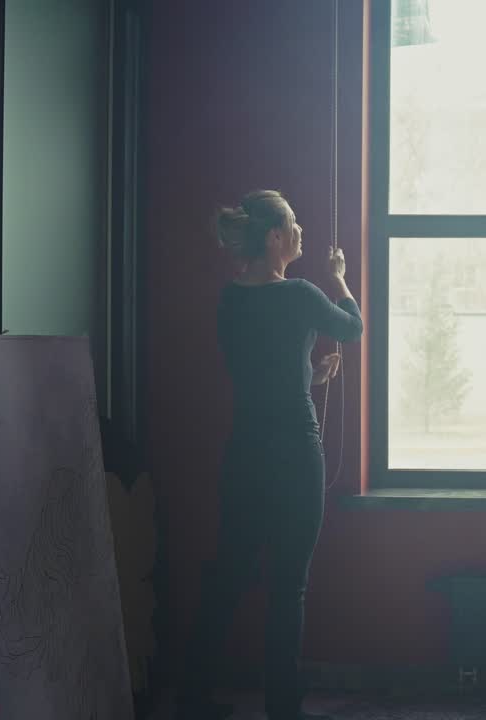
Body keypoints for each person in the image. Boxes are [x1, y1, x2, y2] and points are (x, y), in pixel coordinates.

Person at [179, 190, 362, 720]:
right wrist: (340, 277)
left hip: (245, 457)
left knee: (227, 577)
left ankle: (192, 699)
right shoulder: (302, 292)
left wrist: (309, 375)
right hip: (294, 456)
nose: (301, 231)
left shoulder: (229, 301)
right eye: (294, 224)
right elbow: (352, 327)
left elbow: (263, 371)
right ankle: (283, 709)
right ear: (275, 238)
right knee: (289, 588)